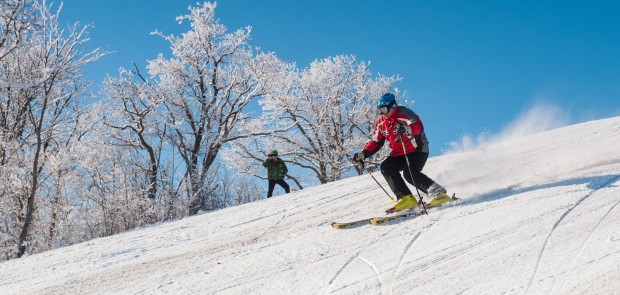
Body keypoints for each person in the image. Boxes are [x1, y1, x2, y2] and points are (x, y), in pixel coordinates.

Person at [353, 93, 451, 213]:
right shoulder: (381, 123)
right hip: (399, 153)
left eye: (384, 109)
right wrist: (363, 154)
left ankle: (439, 194)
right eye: (380, 110)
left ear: (393, 106)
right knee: (386, 166)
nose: (383, 113)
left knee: (409, 173)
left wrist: (406, 129)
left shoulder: (404, 113)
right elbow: (376, 141)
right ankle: (405, 198)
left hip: (417, 149)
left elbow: (417, 126)